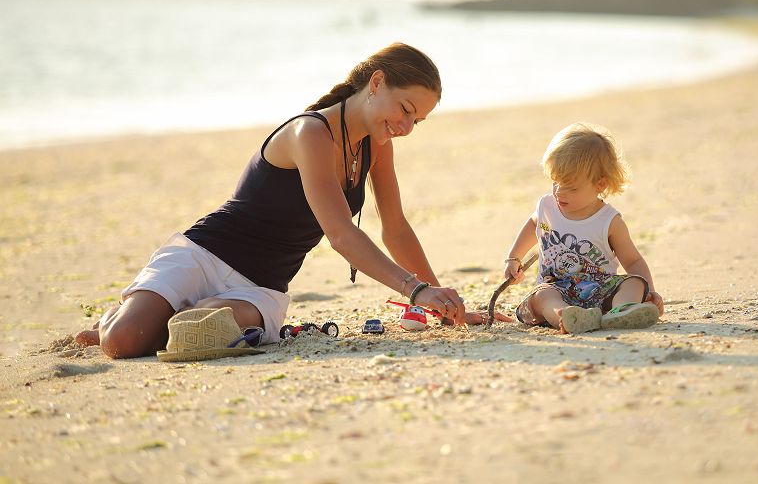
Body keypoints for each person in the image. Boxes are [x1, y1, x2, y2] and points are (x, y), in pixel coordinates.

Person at [76, 42, 502, 359]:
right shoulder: (310, 133)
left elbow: (396, 227)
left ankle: (161, 312)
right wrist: (415, 290)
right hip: (203, 254)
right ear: (376, 83)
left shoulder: (377, 146)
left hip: (260, 289)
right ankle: (122, 318)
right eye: (405, 109)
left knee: (201, 325)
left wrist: (443, 301)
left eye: (418, 120)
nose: (407, 126)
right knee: (123, 343)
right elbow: (339, 233)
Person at [501, 122, 664, 335]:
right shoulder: (547, 208)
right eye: (555, 182)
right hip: (557, 288)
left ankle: (623, 311)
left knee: (633, 283)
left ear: (600, 185)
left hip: (601, 291)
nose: (559, 192)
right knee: (542, 297)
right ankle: (567, 315)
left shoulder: (608, 221)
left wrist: (650, 291)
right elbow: (534, 225)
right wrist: (514, 258)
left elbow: (633, 261)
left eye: (571, 187)